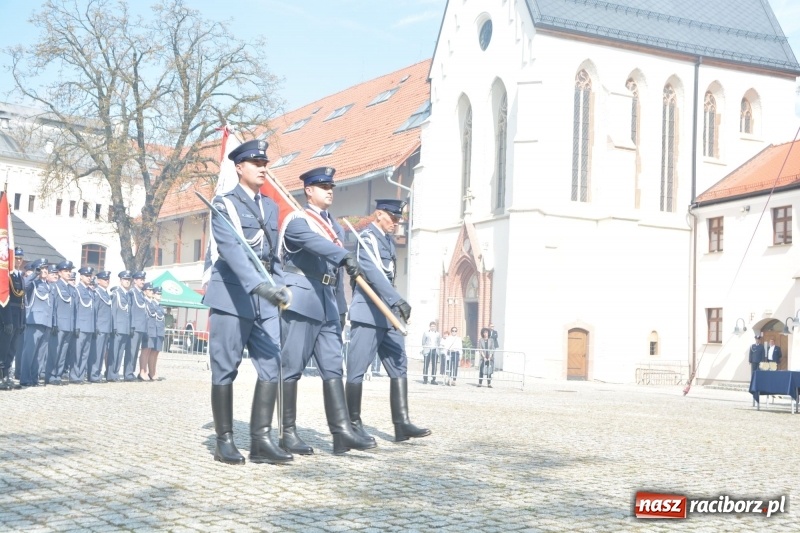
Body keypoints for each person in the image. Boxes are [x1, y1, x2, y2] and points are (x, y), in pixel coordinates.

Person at [203, 139, 292, 465]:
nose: (263, 168)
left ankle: (261, 441)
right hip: (232, 295)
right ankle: (223, 441)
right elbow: (232, 251)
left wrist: (279, 287)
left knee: (271, 365)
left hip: (266, 299)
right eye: (256, 163)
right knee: (225, 367)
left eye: (265, 162)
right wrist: (260, 287)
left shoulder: (269, 206)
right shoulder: (224, 204)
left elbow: (272, 254)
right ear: (239, 167)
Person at [278, 166, 375, 455]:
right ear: (309, 190)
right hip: (302, 298)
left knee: (333, 366)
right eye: (322, 186)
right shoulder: (298, 221)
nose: (329, 190)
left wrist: (341, 308)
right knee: (292, 366)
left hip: (328, 303)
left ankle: (341, 432)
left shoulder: (332, 225)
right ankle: (288, 433)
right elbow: (316, 246)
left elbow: (335, 271)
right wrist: (346, 255)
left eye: (331, 186)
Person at [346, 199, 430, 443]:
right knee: (357, 369)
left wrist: (395, 304)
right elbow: (372, 272)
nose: (396, 222)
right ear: (379, 214)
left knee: (398, 364)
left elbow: (388, 277)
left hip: (388, 315)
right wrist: (397, 300)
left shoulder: (388, 241)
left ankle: (401, 423)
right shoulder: (367, 238)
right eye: (392, 217)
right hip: (368, 312)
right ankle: (353, 423)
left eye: (398, 218)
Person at [19, 259, 53, 387]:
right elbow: (24, 285)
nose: (45, 271)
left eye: (46, 269)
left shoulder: (48, 285)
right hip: (34, 322)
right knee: (29, 352)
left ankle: (34, 378)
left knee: (40, 354)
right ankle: (25, 378)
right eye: (42, 268)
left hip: (46, 322)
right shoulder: (33, 283)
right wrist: (34, 274)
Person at [0, 247, 26, 390]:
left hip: (18, 317)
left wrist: (23, 321)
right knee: (3, 349)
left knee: (12, 349)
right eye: (16, 258)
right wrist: (7, 320)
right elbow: (5, 300)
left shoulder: (18, 275)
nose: (19, 260)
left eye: (20, 258)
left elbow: (22, 301)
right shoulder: (6, 275)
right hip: (8, 317)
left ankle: (6, 376)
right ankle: (0, 377)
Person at [49, 261, 77, 386]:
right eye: (65, 271)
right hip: (59, 324)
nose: (68, 273)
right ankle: (51, 375)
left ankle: (58, 375)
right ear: (59, 273)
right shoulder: (55, 286)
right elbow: (53, 307)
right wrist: (54, 323)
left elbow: (74, 309)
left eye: (69, 271)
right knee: (55, 350)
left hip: (69, 325)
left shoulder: (71, 288)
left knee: (63, 352)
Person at [70, 266, 96, 384]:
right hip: (80, 327)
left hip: (89, 327)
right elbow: (75, 309)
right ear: (81, 276)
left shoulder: (90, 291)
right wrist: (76, 326)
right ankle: (75, 375)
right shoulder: (77, 290)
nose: (89, 278)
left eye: (90, 276)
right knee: (77, 353)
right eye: (87, 276)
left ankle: (80, 375)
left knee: (85, 353)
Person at [107, 271, 132, 382]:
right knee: (114, 351)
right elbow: (113, 311)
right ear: (121, 281)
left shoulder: (128, 295)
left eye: (128, 280)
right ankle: (110, 374)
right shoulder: (116, 293)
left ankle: (116, 373)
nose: (127, 281)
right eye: (125, 279)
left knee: (120, 352)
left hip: (125, 328)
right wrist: (114, 326)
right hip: (117, 327)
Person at [89, 270, 113, 383]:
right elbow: (95, 311)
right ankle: (93, 374)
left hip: (106, 327)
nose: (107, 281)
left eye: (108, 279)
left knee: (102, 352)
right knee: (97, 352)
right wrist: (95, 326)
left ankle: (97, 373)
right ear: (98, 281)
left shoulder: (105, 293)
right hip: (99, 327)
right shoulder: (97, 293)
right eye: (104, 279)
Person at [126, 271, 148, 382]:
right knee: (131, 351)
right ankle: (128, 372)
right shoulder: (132, 293)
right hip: (134, 326)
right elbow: (130, 310)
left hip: (140, 326)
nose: (143, 281)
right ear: (135, 280)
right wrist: (131, 325)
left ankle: (131, 372)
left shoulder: (140, 293)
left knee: (135, 351)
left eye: (143, 279)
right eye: (140, 279)